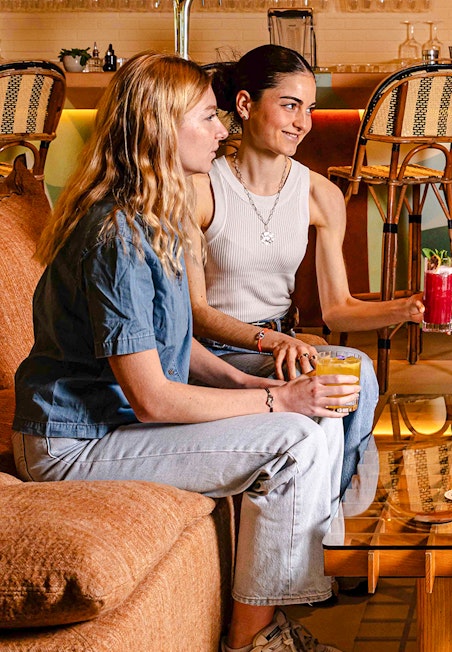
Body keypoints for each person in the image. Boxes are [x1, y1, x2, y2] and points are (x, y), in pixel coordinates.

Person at [12, 52, 348, 652]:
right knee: (296, 439)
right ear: (161, 127)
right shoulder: (114, 232)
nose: (224, 132)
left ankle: (279, 609)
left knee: (315, 423)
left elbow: (175, 342)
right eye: (209, 117)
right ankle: (253, 640)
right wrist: (277, 398)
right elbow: (152, 398)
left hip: (112, 426)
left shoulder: (154, 214)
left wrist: (249, 387)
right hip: (74, 444)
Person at [188, 45, 421, 495]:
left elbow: (338, 311)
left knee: (356, 369)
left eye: (309, 109)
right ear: (244, 104)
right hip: (214, 352)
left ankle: (335, 507)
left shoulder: (320, 194)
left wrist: (407, 309)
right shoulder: (201, 188)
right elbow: (195, 310)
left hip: (285, 346)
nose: (303, 123)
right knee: (338, 376)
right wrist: (275, 340)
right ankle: (333, 513)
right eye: (290, 105)